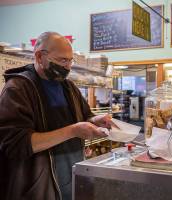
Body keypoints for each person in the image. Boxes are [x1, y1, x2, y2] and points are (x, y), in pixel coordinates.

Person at [0, 32, 114, 200]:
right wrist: (73, 131)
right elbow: (15, 143)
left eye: (70, 60)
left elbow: (85, 115)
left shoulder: (68, 86)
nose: (68, 67)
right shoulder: (17, 89)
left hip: (72, 175)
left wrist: (96, 120)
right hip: (38, 186)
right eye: (62, 60)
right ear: (39, 56)